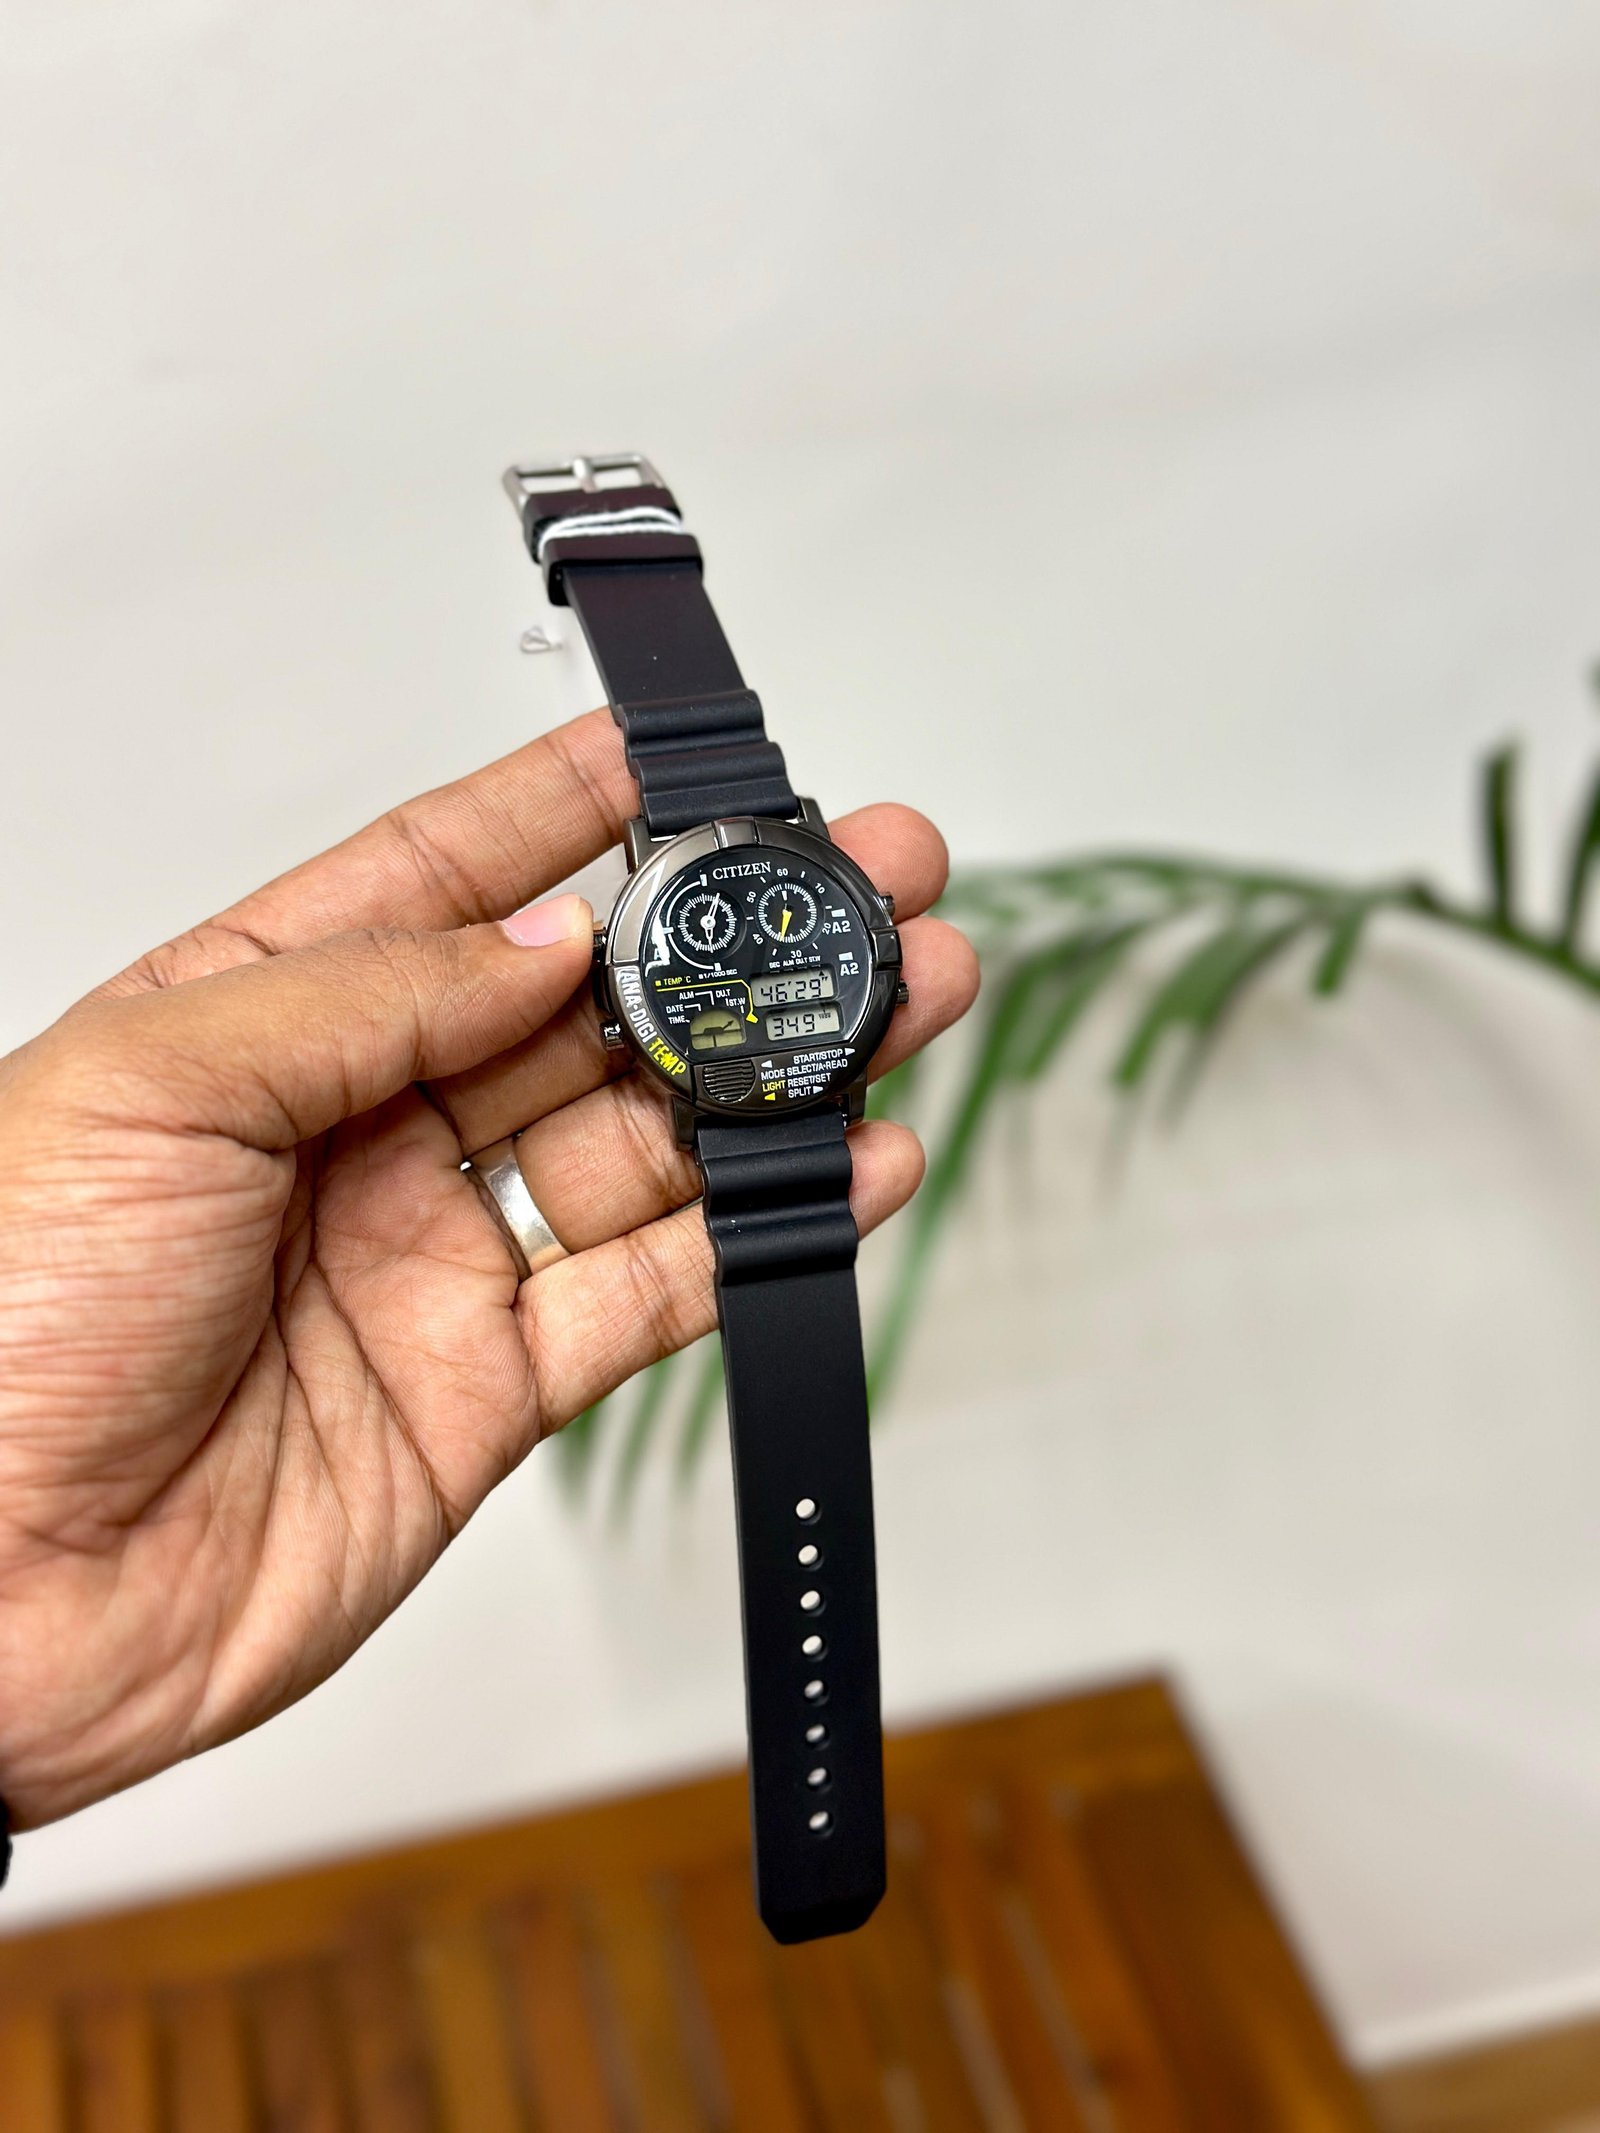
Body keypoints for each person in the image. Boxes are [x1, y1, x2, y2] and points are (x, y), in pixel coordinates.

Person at [0, 707, 978, 1866]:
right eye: (711, 937)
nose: (756, 962)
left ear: (867, 939)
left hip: (794, 1102)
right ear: (619, 996)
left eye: (791, 931)